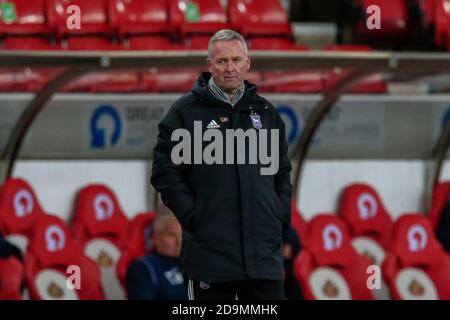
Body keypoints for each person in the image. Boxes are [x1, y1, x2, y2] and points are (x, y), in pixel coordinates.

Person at [151, 29, 292, 300]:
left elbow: (281, 174)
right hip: (209, 262)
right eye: (222, 61)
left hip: (263, 261)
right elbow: (165, 173)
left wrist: (279, 215)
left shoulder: (266, 113)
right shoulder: (185, 113)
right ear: (209, 65)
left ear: (248, 63)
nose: (230, 68)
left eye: (237, 60)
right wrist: (195, 217)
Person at [126, 212, 187, 300]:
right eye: (171, 235)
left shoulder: (193, 263)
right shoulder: (143, 268)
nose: (179, 241)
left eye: (182, 235)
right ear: (155, 238)